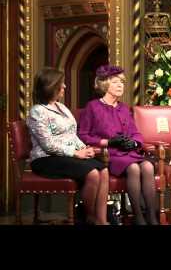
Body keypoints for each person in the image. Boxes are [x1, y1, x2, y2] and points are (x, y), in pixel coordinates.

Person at [27, 67, 109, 225]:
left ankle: (102, 220)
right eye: (61, 84)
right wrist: (75, 153)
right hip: (46, 159)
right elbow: (48, 144)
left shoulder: (61, 107)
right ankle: (90, 217)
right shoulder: (37, 112)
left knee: (103, 170)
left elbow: (72, 134)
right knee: (92, 173)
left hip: (67, 155)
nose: (64, 86)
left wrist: (84, 148)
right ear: (51, 86)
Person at [78, 65, 158, 225]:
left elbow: (136, 133)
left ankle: (151, 215)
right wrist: (108, 142)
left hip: (129, 152)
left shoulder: (123, 108)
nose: (121, 85)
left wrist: (134, 142)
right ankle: (138, 217)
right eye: (115, 82)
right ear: (104, 85)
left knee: (148, 167)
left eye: (122, 82)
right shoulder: (93, 107)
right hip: (110, 154)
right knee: (134, 168)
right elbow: (83, 135)